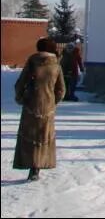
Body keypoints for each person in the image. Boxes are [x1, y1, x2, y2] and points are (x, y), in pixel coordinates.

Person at [13, 37, 66, 182]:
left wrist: (21, 98)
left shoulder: (32, 62)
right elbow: (61, 90)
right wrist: (53, 102)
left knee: (30, 136)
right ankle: (37, 167)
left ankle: (31, 165)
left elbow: (20, 84)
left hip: (31, 104)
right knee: (43, 136)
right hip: (47, 107)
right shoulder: (56, 65)